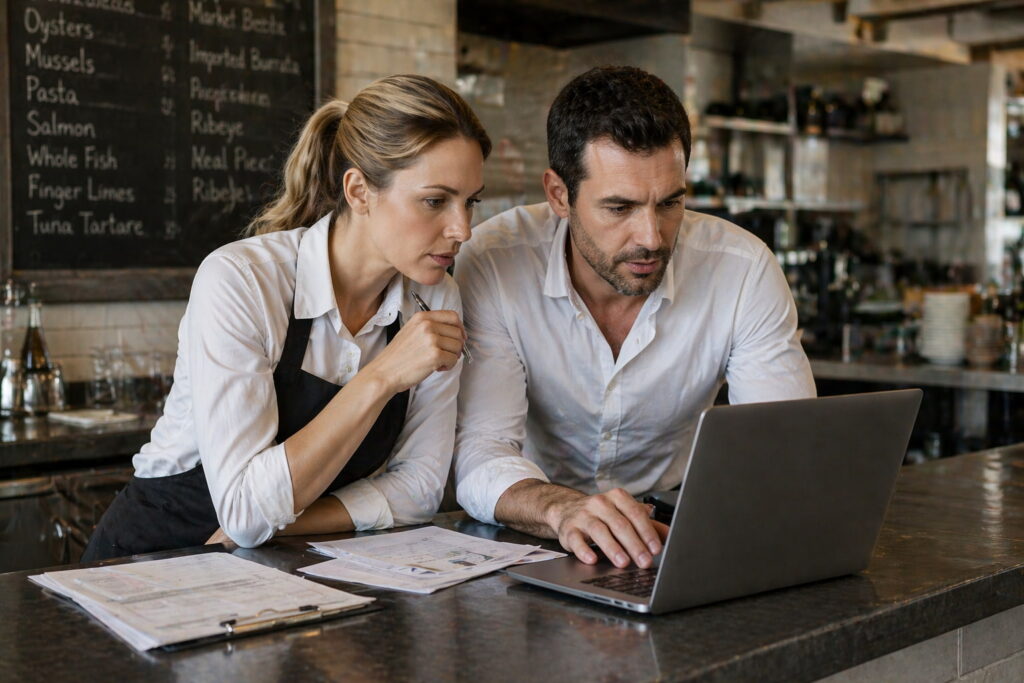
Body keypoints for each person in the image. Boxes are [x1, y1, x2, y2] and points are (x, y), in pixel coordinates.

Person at [82, 75, 491, 562]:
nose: (462, 229)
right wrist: (382, 377)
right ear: (359, 191)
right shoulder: (243, 281)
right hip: (155, 558)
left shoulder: (435, 297)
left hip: (286, 559)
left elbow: (420, 487)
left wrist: (286, 528)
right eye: (435, 201)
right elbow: (243, 509)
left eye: (471, 202)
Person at [452, 66, 814, 570]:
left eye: (670, 203)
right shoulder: (494, 262)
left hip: (673, 531)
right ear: (559, 195)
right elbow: (481, 453)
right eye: (619, 208)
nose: (651, 237)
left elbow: (785, 445)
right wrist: (562, 508)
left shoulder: (743, 268)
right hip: (535, 532)